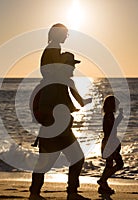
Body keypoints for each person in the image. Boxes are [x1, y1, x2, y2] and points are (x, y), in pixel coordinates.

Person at [29, 24, 91, 200]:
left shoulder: (58, 74)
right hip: (56, 126)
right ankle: (68, 193)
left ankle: (36, 193)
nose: (73, 69)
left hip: (56, 125)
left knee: (49, 163)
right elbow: (50, 77)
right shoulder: (54, 52)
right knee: (75, 158)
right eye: (65, 33)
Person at [97, 95, 124, 194]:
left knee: (109, 165)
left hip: (107, 142)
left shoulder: (107, 115)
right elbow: (112, 129)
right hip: (110, 143)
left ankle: (103, 184)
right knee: (119, 164)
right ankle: (103, 180)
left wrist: (119, 118)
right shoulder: (109, 115)